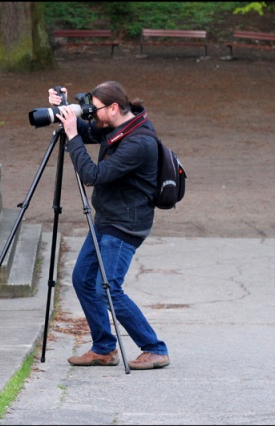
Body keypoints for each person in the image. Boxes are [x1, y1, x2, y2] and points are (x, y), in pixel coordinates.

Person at [48, 81, 170, 370]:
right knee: (82, 280)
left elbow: (92, 174)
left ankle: (155, 348)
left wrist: (72, 136)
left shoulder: (139, 143)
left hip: (126, 224)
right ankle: (104, 348)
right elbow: (88, 129)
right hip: (106, 218)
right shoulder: (117, 127)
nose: (93, 114)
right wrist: (63, 108)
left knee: (108, 289)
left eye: (96, 108)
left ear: (114, 108)